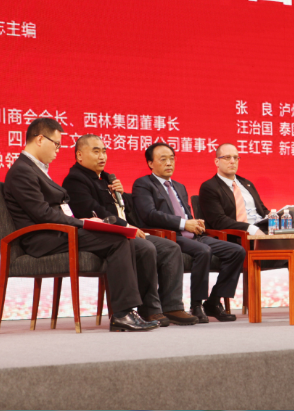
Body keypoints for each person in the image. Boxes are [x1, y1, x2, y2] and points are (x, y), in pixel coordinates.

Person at [3, 118, 158, 332]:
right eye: (56, 144)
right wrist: (82, 223)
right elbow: (42, 214)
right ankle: (123, 314)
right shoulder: (23, 170)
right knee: (118, 240)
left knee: (121, 237)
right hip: (44, 238)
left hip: (58, 232)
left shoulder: (35, 168)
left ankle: (131, 311)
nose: (58, 150)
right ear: (40, 140)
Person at [62, 134, 198, 326]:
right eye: (96, 151)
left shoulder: (105, 179)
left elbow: (128, 210)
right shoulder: (75, 180)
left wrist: (121, 195)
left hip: (125, 232)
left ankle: (172, 306)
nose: (102, 156)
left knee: (170, 247)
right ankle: (149, 309)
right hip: (104, 237)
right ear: (79, 155)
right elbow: (92, 211)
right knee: (146, 247)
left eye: (104, 151)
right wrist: (125, 226)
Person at [199, 143, 294, 318]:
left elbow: (262, 211)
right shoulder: (209, 187)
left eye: (236, 157)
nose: (232, 161)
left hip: (264, 230)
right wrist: (251, 228)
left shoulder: (246, 184)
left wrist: (276, 214)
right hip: (239, 236)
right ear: (217, 161)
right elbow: (218, 220)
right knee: (293, 250)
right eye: (227, 157)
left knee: (290, 217)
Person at [132, 142, 245, 323]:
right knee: (203, 251)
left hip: (193, 236)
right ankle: (197, 304)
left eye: (172, 159)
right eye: (163, 159)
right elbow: (149, 214)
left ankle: (214, 301)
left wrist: (195, 223)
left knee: (236, 251)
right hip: (169, 236)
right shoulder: (143, 184)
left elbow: (186, 215)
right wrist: (184, 224)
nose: (169, 163)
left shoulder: (179, 186)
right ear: (150, 163)